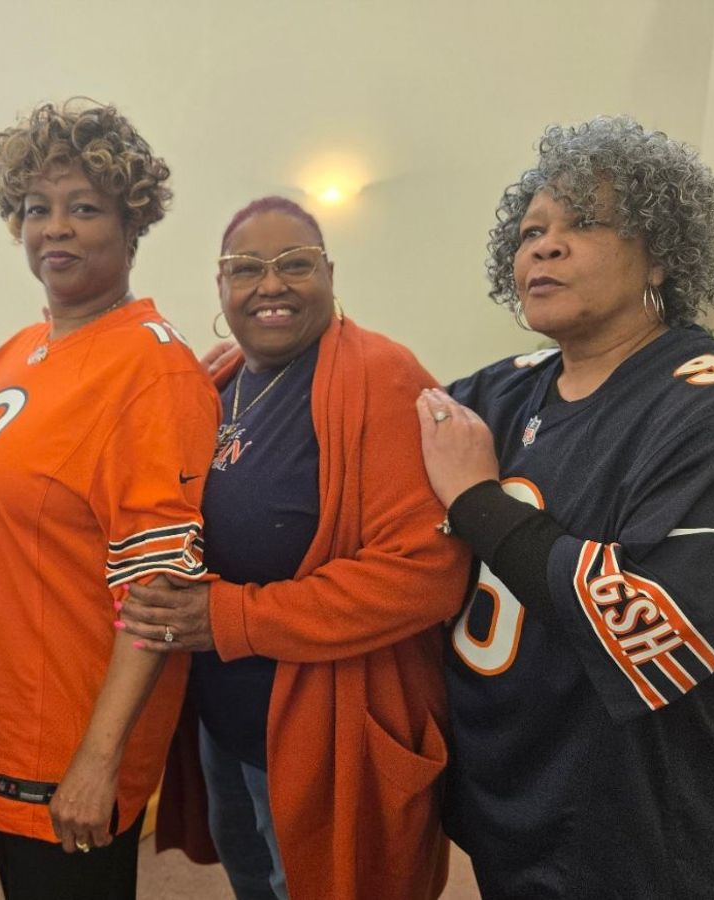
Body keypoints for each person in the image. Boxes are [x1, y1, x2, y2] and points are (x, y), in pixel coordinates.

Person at [417, 116, 714, 899]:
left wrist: (475, 500)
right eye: (531, 232)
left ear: (662, 253)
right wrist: (272, 363)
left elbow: (650, 628)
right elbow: (373, 424)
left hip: (634, 812)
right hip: (508, 780)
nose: (545, 247)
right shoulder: (502, 388)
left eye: (584, 223)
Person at [117, 196, 472, 900]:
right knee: (255, 879)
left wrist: (230, 617)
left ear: (330, 274)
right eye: (246, 268)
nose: (271, 284)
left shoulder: (381, 375)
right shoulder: (219, 381)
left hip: (329, 728)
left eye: (295, 264)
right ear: (221, 286)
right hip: (228, 723)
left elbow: (426, 574)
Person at [0, 99, 219, 900]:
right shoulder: (24, 347)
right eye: (36, 208)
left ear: (132, 224)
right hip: (6, 702)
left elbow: (160, 588)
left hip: (69, 724)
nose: (54, 227)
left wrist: (98, 761)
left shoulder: (150, 370)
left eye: (84, 208)